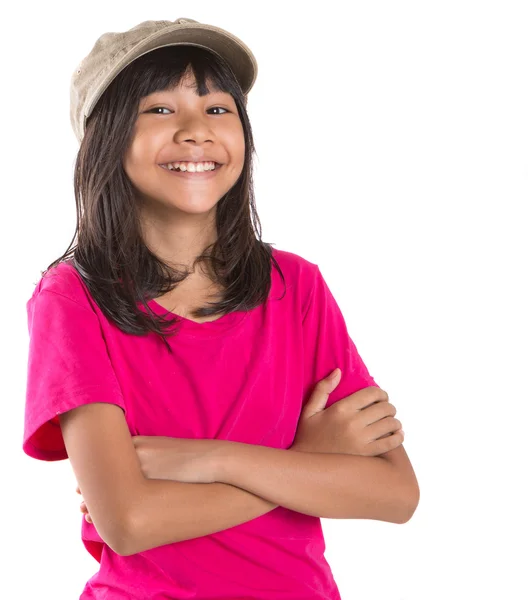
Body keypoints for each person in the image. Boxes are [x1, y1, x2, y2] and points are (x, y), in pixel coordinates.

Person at [22, 17, 418, 600]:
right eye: (159, 110)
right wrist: (304, 464)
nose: (194, 132)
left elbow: (395, 494)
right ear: (105, 141)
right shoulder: (73, 297)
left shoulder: (296, 286)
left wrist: (210, 459)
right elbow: (129, 523)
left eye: (217, 110)